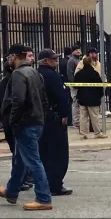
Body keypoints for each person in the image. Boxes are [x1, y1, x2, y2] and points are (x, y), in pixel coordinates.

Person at [0, 44, 52, 211]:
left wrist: (13, 120)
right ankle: (11, 192)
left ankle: (43, 198)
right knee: (20, 159)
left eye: (9, 57)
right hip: (36, 121)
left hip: (25, 123)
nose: (8, 60)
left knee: (33, 161)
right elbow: (44, 100)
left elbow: (18, 101)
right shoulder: (35, 72)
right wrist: (42, 117)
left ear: (14, 57)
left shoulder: (18, 74)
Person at [38, 48, 73, 196]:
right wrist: (65, 114)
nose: (57, 62)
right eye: (54, 59)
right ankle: (55, 184)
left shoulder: (36, 74)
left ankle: (45, 182)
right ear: (46, 61)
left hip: (42, 118)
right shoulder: (51, 76)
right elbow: (61, 96)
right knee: (58, 153)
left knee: (44, 152)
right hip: (55, 117)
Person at [74, 57, 107, 139]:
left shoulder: (79, 73)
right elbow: (99, 86)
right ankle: (97, 133)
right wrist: (100, 95)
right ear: (91, 62)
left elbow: (75, 85)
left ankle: (83, 133)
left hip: (82, 98)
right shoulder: (94, 73)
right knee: (94, 116)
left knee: (83, 116)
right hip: (93, 98)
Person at [67, 45, 81, 129]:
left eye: (79, 49)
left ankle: (78, 121)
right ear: (72, 51)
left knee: (78, 103)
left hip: (80, 85)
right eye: (76, 50)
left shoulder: (79, 60)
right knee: (75, 103)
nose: (78, 51)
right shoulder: (71, 61)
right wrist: (74, 84)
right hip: (75, 85)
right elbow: (70, 73)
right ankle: (76, 122)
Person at [59, 47, 72, 126]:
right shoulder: (68, 62)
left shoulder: (62, 61)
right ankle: (69, 120)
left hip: (64, 83)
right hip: (69, 84)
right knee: (70, 103)